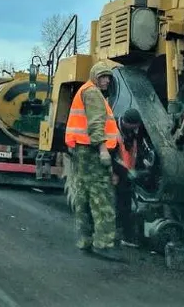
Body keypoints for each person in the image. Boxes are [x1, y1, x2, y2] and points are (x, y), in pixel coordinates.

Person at [65, 61, 121, 259]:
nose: (106, 81)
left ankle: (85, 240)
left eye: (108, 77)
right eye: (103, 77)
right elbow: (96, 123)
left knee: (83, 195)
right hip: (93, 152)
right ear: (95, 77)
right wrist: (103, 149)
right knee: (102, 196)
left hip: (81, 151)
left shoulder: (84, 90)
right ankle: (104, 243)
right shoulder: (93, 93)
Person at [110, 107, 147, 247]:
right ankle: (112, 234)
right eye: (135, 127)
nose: (137, 129)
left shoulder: (134, 131)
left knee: (125, 205)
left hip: (127, 174)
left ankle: (125, 235)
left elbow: (135, 149)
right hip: (115, 172)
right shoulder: (113, 130)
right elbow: (108, 155)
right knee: (115, 204)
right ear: (127, 123)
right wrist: (114, 173)